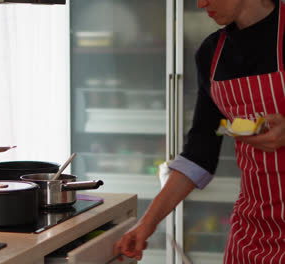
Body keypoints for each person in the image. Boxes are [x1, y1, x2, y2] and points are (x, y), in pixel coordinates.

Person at [114, 0, 285, 263]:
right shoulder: (211, 54)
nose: (200, 3)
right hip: (252, 234)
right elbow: (198, 154)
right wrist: (147, 223)